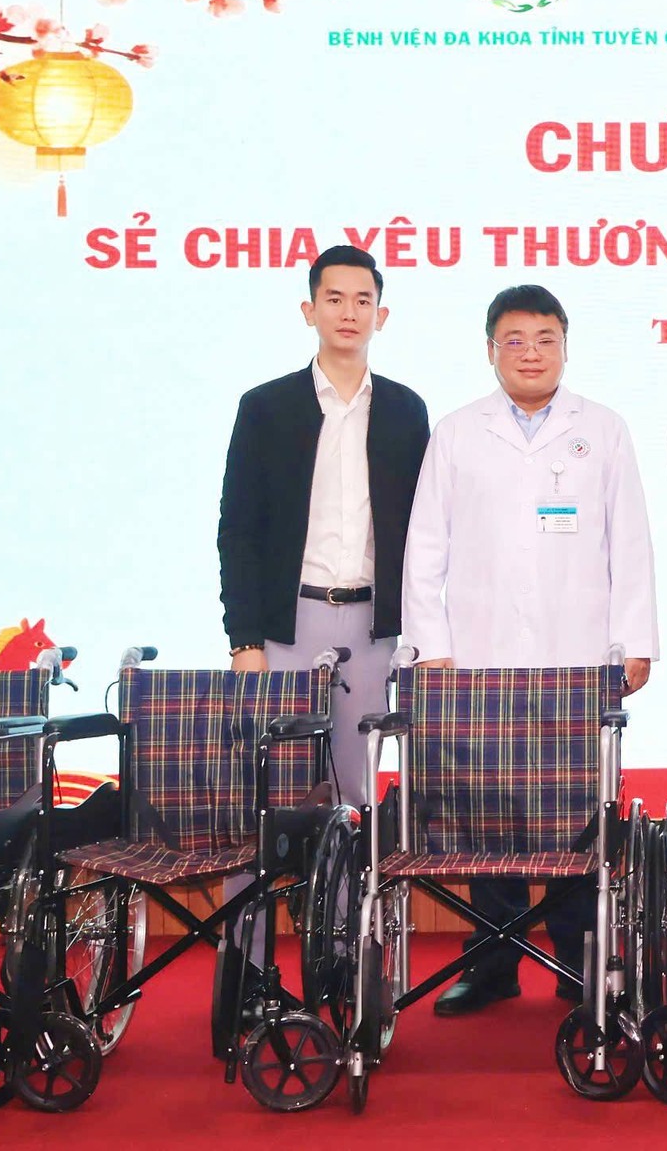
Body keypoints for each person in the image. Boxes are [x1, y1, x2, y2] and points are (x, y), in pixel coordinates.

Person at [401, 284, 658, 1016]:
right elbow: (425, 546)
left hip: (577, 654)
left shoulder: (602, 428)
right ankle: (492, 964)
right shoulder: (457, 431)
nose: (531, 353)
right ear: (491, 350)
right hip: (477, 655)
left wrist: (635, 641)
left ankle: (578, 962)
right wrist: (431, 647)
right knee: (488, 815)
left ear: (565, 347)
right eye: (514, 340)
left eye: (546, 339)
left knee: (576, 813)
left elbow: (630, 543)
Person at [217, 245, 429, 965]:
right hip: (286, 627)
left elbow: (424, 532)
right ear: (309, 310)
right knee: (266, 798)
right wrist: (245, 637)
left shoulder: (405, 410)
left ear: (381, 315)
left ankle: (340, 958)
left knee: (351, 798)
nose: (349, 312)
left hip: (370, 630)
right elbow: (238, 530)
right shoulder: (266, 407)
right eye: (334, 299)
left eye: (363, 300)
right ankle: (247, 969)